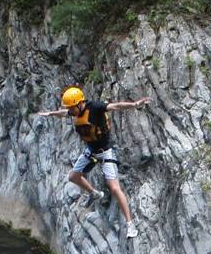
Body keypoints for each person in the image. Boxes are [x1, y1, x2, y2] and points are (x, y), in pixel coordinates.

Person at [39, 86, 150, 238]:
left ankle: (131, 225)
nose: (70, 111)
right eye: (70, 109)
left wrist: (134, 105)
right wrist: (50, 113)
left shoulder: (96, 108)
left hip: (105, 152)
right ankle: (95, 193)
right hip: (90, 151)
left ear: (80, 104)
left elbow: (115, 106)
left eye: (72, 108)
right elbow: (64, 113)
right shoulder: (74, 111)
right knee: (73, 176)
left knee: (114, 188)